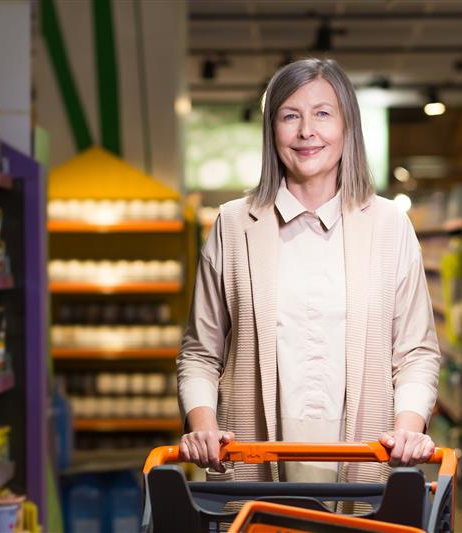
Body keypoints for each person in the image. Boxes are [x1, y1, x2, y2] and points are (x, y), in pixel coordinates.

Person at [176, 58, 441, 485]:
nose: (306, 132)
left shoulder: (390, 226)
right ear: (271, 130)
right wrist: (203, 424)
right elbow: (200, 354)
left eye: (322, 114)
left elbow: (415, 353)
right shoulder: (233, 226)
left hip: (366, 468)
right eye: (290, 116)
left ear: (347, 126)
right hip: (252, 466)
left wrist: (409, 429)